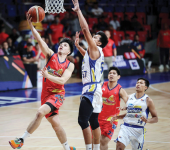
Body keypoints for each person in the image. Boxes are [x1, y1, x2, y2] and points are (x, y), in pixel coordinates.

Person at [9, 13, 76, 150]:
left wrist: (47, 75)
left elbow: (63, 80)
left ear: (69, 51)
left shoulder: (69, 65)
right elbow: (40, 40)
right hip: (45, 94)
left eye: (64, 45)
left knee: (40, 112)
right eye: (61, 44)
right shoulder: (51, 55)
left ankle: (21, 140)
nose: (61, 46)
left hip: (57, 94)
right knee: (56, 124)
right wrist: (32, 27)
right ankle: (67, 147)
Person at [72, 0, 108, 149]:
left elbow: (85, 30)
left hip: (91, 89)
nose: (93, 37)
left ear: (99, 43)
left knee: (82, 120)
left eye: (96, 37)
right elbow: (86, 54)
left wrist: (79, 11)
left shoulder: (96, 50)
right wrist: (78, 47)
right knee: (94, 122)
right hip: (95, 88)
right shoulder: (94, 52)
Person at [111, 78, 158, 150]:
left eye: (141, 83)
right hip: (126, 127)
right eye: (137, 82)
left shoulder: (148, 100)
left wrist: (147, 121)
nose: (138, 84)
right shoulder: (129, 97)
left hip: (138, 130)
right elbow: (130, 113)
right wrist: (117, 117)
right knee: (119, 146)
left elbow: (156, 118)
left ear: (146, 87)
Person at [98, 67, 128, 150]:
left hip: (111, 120)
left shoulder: (120, 90)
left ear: (118, 77)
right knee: (94, 140)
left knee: (104, 140)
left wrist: (125, 108)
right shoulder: (101, 85)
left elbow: (129, 104)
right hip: (97, 118)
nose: (111, 74)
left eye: (114, 73)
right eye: (110, 73)